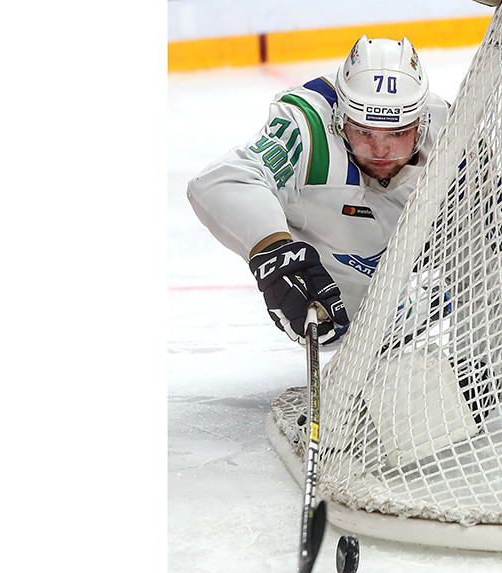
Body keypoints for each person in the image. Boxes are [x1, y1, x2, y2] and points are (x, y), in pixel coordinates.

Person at [187, 36, 450, 346]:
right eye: (363, 131)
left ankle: (478, 365)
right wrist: (274, 254)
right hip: (329, 294)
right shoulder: (308, 126)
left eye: (398, 133)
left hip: (420, 269)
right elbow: (222, 181)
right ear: (339, 119)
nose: (380, 150)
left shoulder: (450, 128)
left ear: (421, 123)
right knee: (341, 327)